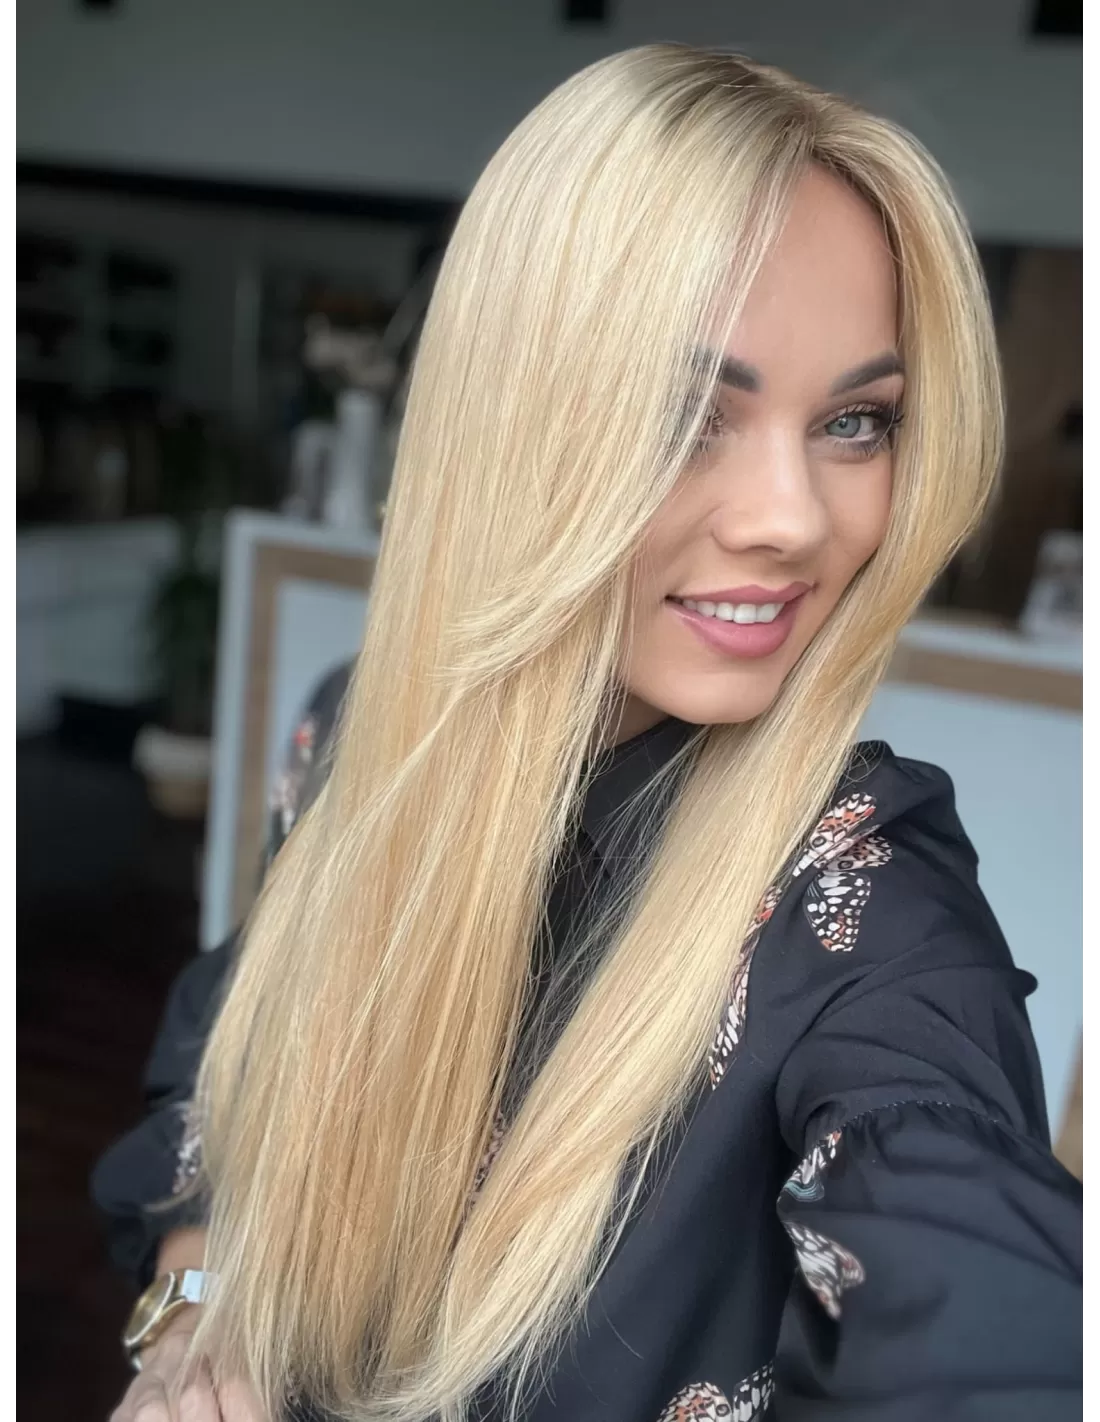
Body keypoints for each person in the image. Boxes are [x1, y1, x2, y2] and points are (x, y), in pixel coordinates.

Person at [97, 43, 1082, 1422]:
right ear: (511, 418)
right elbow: (230, 1059)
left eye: (857, 421)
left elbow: (981, 1303)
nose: (793, 517)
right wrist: (196, 1309)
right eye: (686, 413)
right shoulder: (356, 736)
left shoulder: (868, 913)